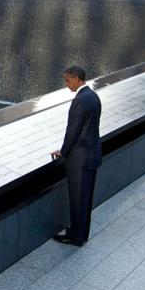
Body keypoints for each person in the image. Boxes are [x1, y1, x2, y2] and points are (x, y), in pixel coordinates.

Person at [51, 66, 102, 246]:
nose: (66, 84)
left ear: (77, 79)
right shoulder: (93, 96)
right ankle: (81, 233)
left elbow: (73, 130)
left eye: (67, 80)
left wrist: (63, 151)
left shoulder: (80, 100)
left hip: (79, 159)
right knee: (85, 199)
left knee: (77, 199)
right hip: (92, 155)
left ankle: (75, 236)